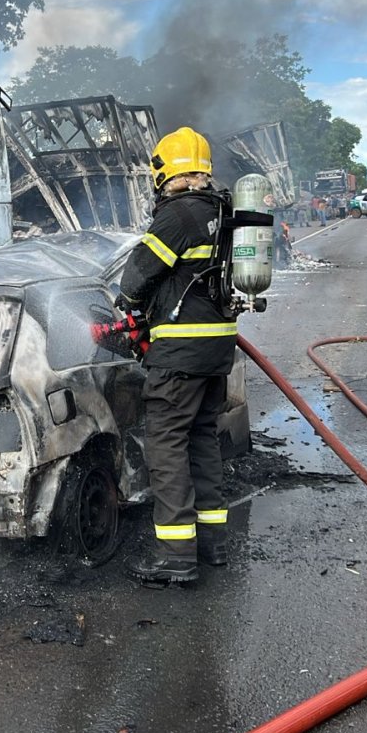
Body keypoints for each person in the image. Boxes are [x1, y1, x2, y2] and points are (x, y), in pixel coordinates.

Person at [117, 127, 238, 585]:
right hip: (216, 350)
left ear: (163, 171)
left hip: (179, 355)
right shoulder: (220, 210)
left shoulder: (177, 215)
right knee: (202, 440)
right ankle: (212, 545)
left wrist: (124, 307)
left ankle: (176, 557)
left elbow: (136, 276)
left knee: (167, 448)